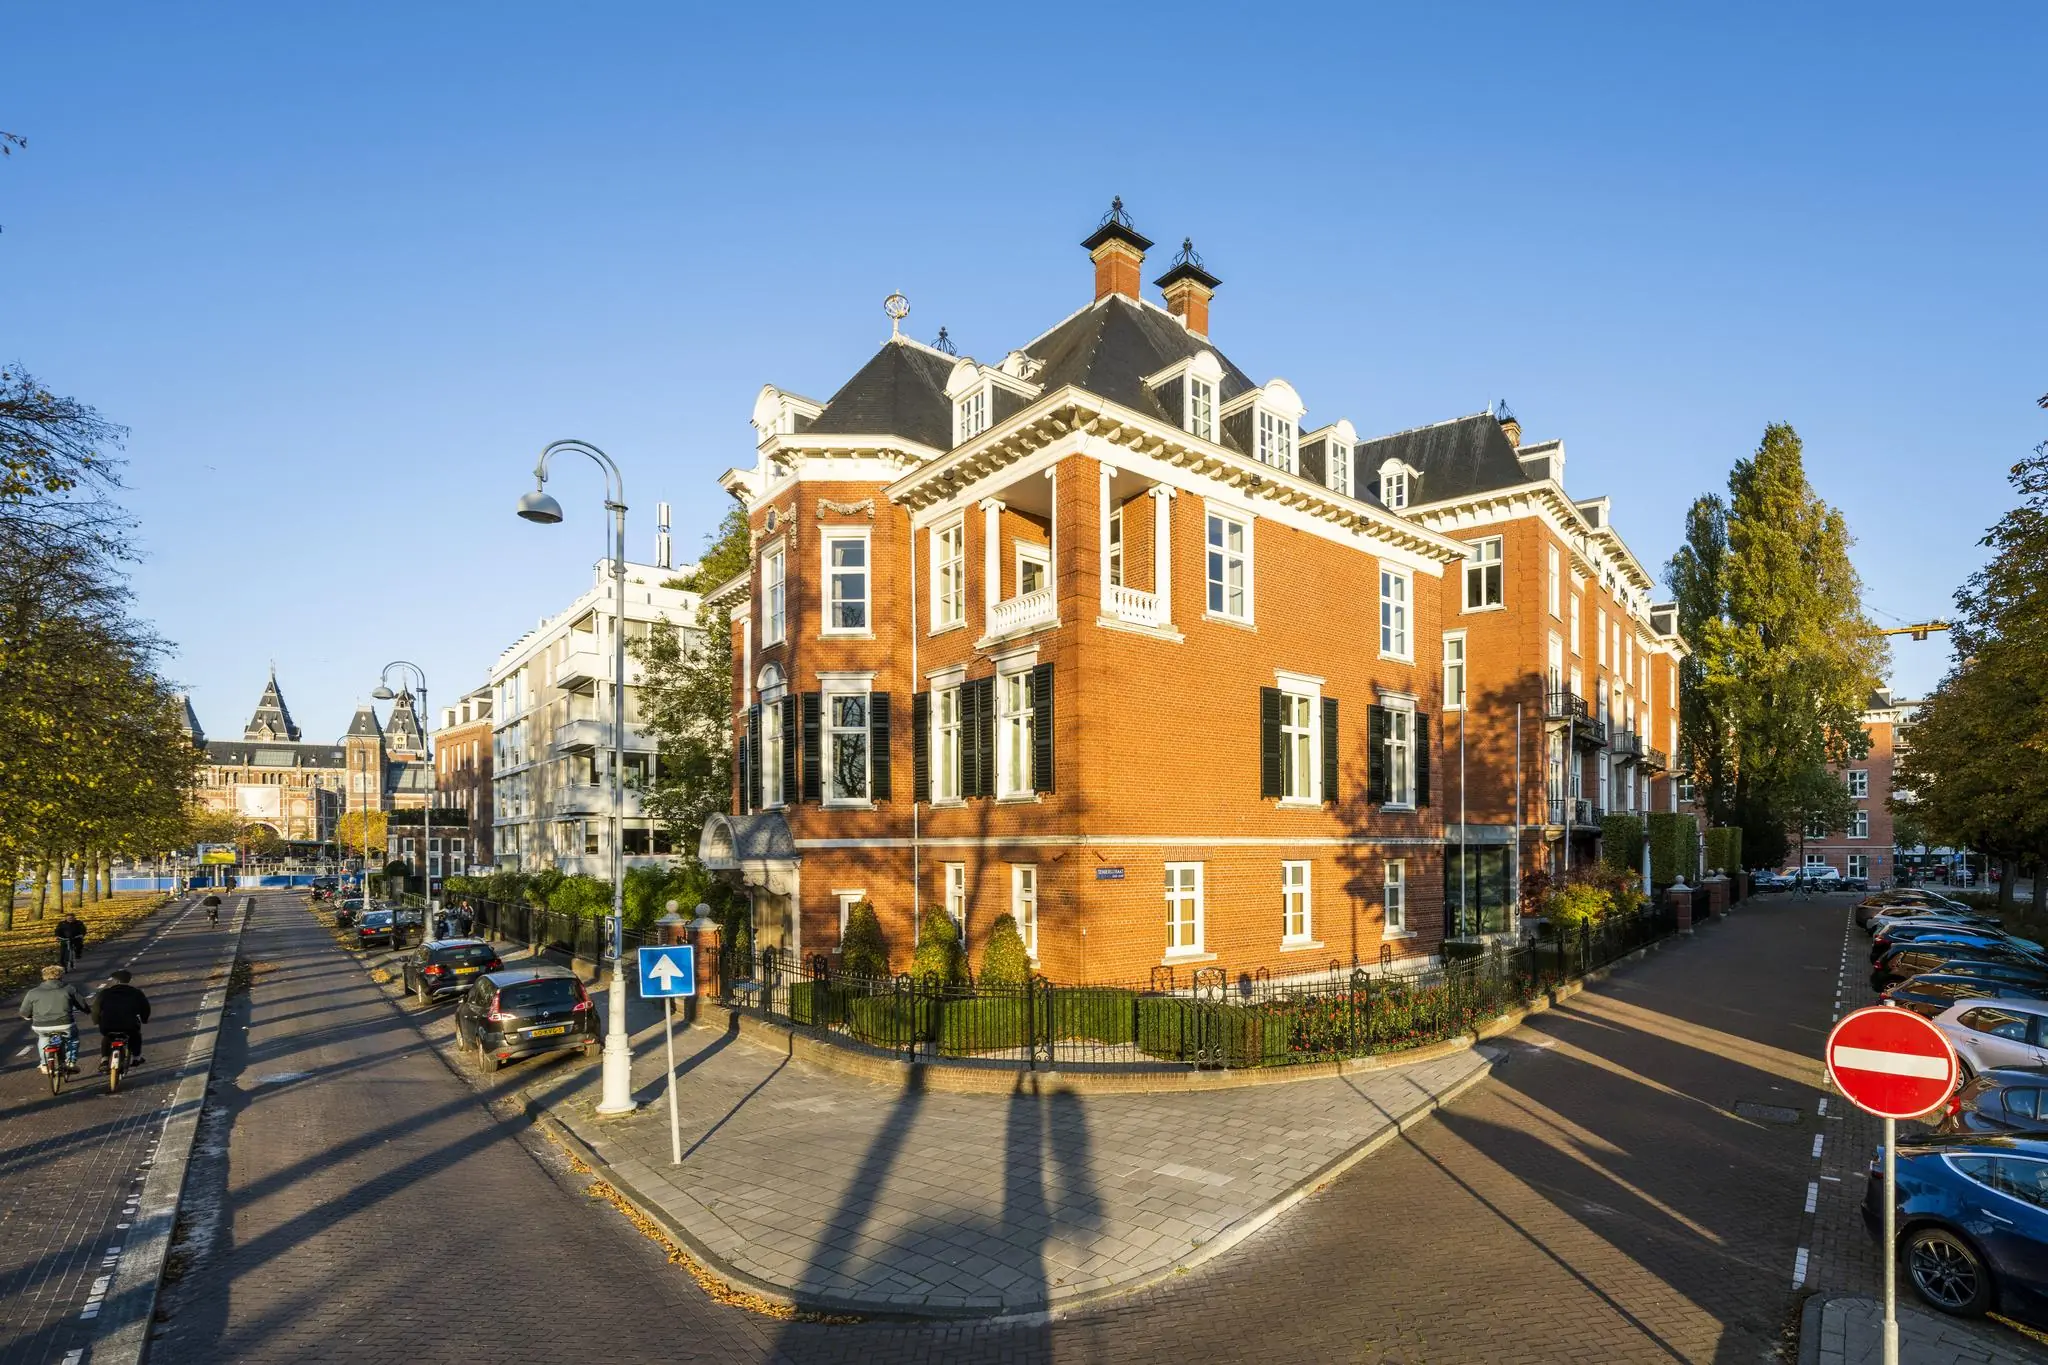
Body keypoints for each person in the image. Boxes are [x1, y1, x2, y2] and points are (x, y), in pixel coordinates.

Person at [20, 965, 89, 1072]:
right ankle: (70, 1062)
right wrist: (87, 1011)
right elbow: (82, 1004)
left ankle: (44, 1064)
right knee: (72, 1039)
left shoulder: (33, 992)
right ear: (61, 975)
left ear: (44, 977)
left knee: (43, 1038)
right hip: (65, 1023)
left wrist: (28, 1016)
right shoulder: (69, 988)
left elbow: (24, 1012)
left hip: (41, 1025)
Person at [92, 968, 150, 1067]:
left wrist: (96, 1020)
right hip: (129, 1024)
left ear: (116, 981)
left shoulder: (105, 993)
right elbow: (145, 1008)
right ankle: (136, 1057)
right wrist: (144, 1019)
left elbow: (96, 1009)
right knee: (135, 1036)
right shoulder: (136, 993)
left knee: (107, 1037)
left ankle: (104, 1059)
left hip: (108, 1024)